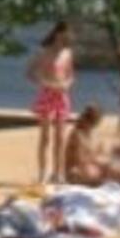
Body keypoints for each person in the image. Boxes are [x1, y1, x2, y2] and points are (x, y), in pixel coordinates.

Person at [27, 20, 74, 183]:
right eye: (64, 34)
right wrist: (45, 82)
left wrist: (67, 84)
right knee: (46, 136)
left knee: (60, 137)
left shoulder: (67, 53)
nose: (66, 37)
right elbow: (30, 72)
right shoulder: (44, 52)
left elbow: (70, 74)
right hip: (47, 93)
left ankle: (58, 173)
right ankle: (42, 172)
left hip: (61, 95)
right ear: (57, 34)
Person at [65, 104, 120, 186]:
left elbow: (97, 151)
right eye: (94, 122)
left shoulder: (89, 133)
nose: (95, 126)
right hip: (79, 168)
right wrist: (98, 161)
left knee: (116, 166)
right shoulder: (78, 135)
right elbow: (80, 159)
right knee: (104, 171)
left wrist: (104, 156)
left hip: (90, 164)